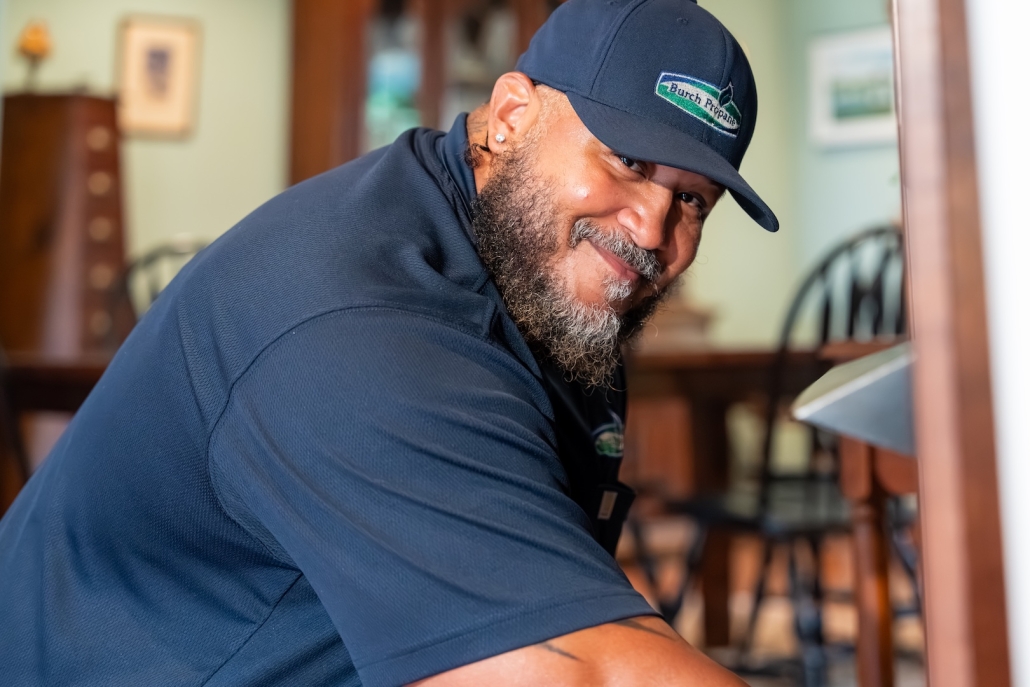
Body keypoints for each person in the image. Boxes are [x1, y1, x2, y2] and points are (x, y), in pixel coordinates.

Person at [0, 0, 778, 684]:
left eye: (693, 201)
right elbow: (574, 672)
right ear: (511, 116)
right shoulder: (362, 325)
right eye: (627, 159)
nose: (652, 227)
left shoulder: (534, 278)